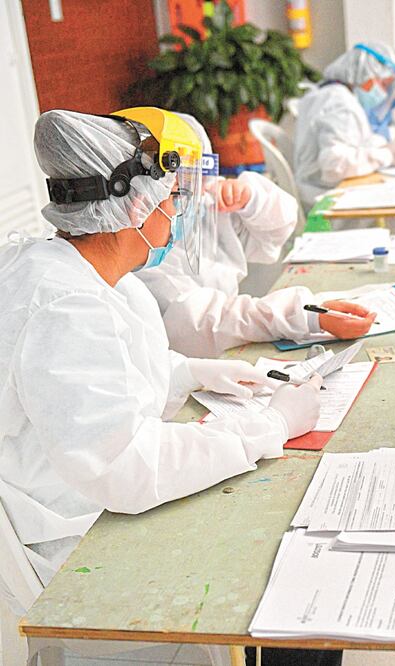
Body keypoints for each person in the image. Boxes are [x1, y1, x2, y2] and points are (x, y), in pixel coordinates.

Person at [0, 108, 325, 610]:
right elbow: (127, 466)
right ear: (136, 207)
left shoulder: (78, 272)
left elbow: (99, 382)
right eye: (172, 197)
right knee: (282, 557)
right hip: (78, 541)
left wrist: (189, 373)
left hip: (89, 495)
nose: (178, 212)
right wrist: (270, 427)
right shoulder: (65, 306)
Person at [138, 113, 375, 358]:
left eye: (192, 182)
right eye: (174, 188)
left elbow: (279, 225)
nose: (187, 198)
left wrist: (250, 198)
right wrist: (304, 316)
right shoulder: (140, 257)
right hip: (192, 355)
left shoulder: (199, 210)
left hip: (225, 342)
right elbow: (198, 320)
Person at [293, 42, 395, 210]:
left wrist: (381, 144)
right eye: (383, 84)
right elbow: (334, 165)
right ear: (365, 73)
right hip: (326, 199)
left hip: (313, 190)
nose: (383, 92)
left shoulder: (325, 93)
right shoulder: (341, 104)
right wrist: (386, 155)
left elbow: (350, 143)